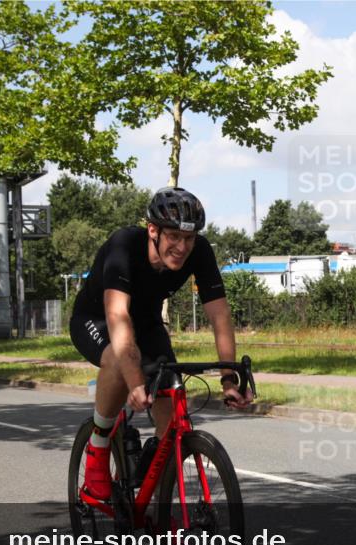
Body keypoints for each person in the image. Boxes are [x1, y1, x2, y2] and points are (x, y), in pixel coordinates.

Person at [70, 186, 253, 500]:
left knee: (171, 406)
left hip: (147, 325)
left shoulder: (200, 251)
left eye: (189, 238)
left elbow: (220, 315)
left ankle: (158, 509)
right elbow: (117, 315)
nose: (182, 247)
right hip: (97, 319)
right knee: (118, 359)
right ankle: (98, 447)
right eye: (174, 237)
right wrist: (134, 381)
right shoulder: (124, 245)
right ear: (153, 230)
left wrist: (228, 378)